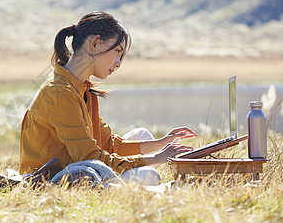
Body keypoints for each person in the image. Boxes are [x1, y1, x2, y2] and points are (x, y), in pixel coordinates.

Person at [19, 11, 197, 186]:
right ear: (95, 44)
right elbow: (91, 159)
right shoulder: (59, 93)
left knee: (142, 134)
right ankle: (154, 189)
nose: (119, 63)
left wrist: (161, 143)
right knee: (148, 174)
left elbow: (109, 144)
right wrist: (156, 158)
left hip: (84, 168)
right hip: (52, 181)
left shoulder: (84, 90)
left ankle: (148, 186)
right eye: (117, 51)